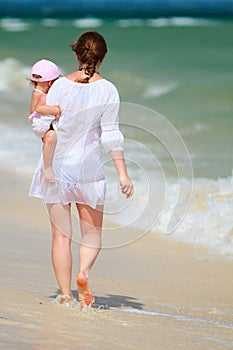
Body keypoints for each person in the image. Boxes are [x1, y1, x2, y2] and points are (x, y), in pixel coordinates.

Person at [29, 30, 134, 309]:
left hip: (57, 170)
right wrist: (123, 174)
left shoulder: (60, 86)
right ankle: (83, 273)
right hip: (89, 171)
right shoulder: (109, 90)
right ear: (103, 57)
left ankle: (64, 295)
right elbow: (112, 135)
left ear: (76, 54)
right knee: (91, 234)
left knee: (61, 236)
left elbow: (41, 123)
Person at [28, 59, 61, 182]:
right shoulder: (40, 94)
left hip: (40, 123)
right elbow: (38, 109)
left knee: (50, 138)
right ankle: (47, 167)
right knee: (51, 136)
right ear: (51, 82)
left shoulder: (39, 92)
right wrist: (56, 110)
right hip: (40, 124)